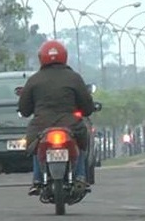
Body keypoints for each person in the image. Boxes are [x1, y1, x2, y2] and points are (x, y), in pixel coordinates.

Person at [17, 40, 95, 195]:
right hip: (71, 124)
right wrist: (84, 111)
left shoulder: (34, 80)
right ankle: (80, 175)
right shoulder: (74, 78)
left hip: (41, 125)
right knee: (82, 143)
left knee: (34, 145)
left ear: (41, 58)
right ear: (64, 56)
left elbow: (24, 110)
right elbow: (87, 106)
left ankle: (37, 179)